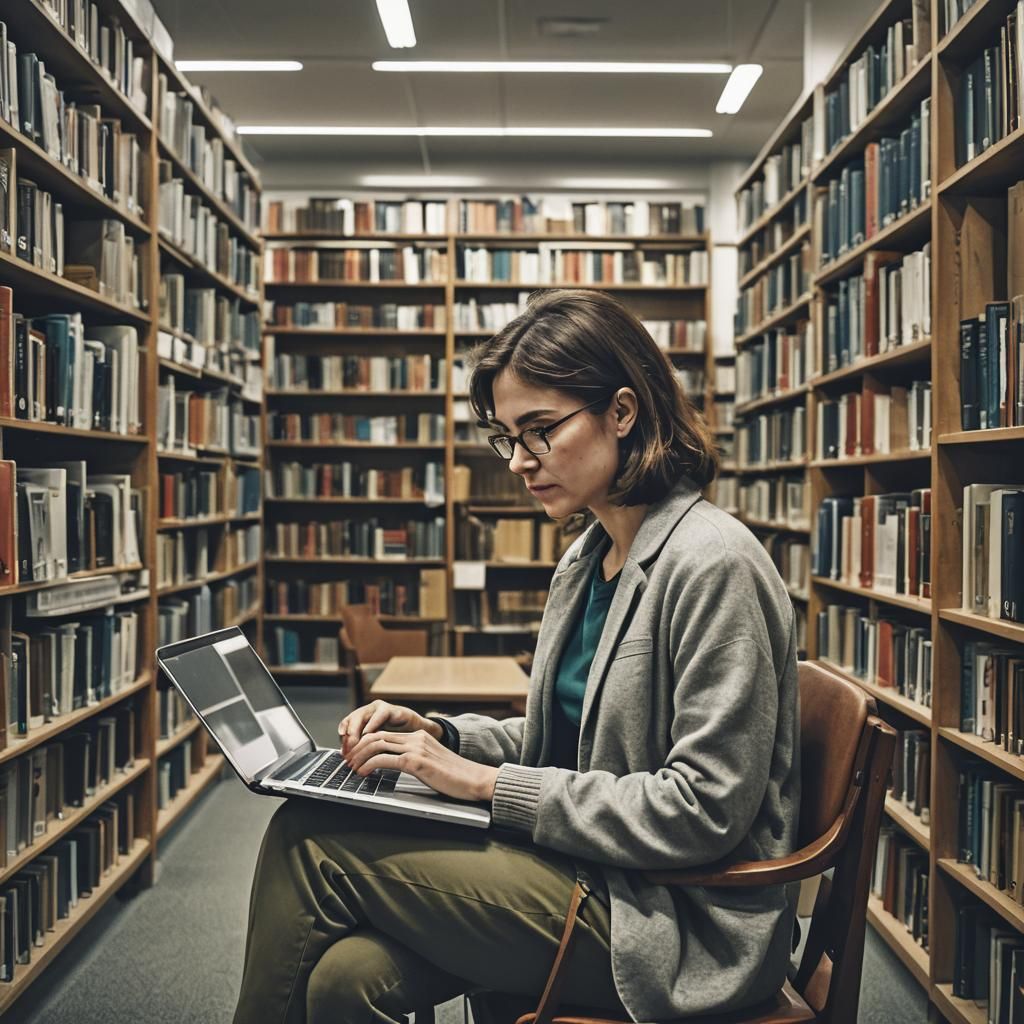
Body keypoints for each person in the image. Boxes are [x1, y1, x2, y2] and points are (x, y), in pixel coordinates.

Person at [234, 288, 801, 1024]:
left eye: (541, 429)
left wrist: (488, 785)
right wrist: (440, 739)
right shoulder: (589, 558)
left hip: (674, 920)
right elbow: (560, 743)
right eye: (507, 437)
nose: (521, 461)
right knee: (344, 981)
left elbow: (702, 812)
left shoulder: (713, 564)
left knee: (309, 841)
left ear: (622, 412)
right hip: (583, 870)